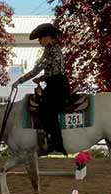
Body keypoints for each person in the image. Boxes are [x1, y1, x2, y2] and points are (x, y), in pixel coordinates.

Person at [12, 23, 70, 155]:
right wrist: (43, 78)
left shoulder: (51, 50)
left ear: (49, 37)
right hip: (56, 83)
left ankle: (56, 145)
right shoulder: (53, 49)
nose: (39, 41)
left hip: (57, 86)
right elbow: (55, 70)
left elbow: (36, 69)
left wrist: (20, 81)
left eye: (41, 38)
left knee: (46, 111)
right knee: (45, 109)